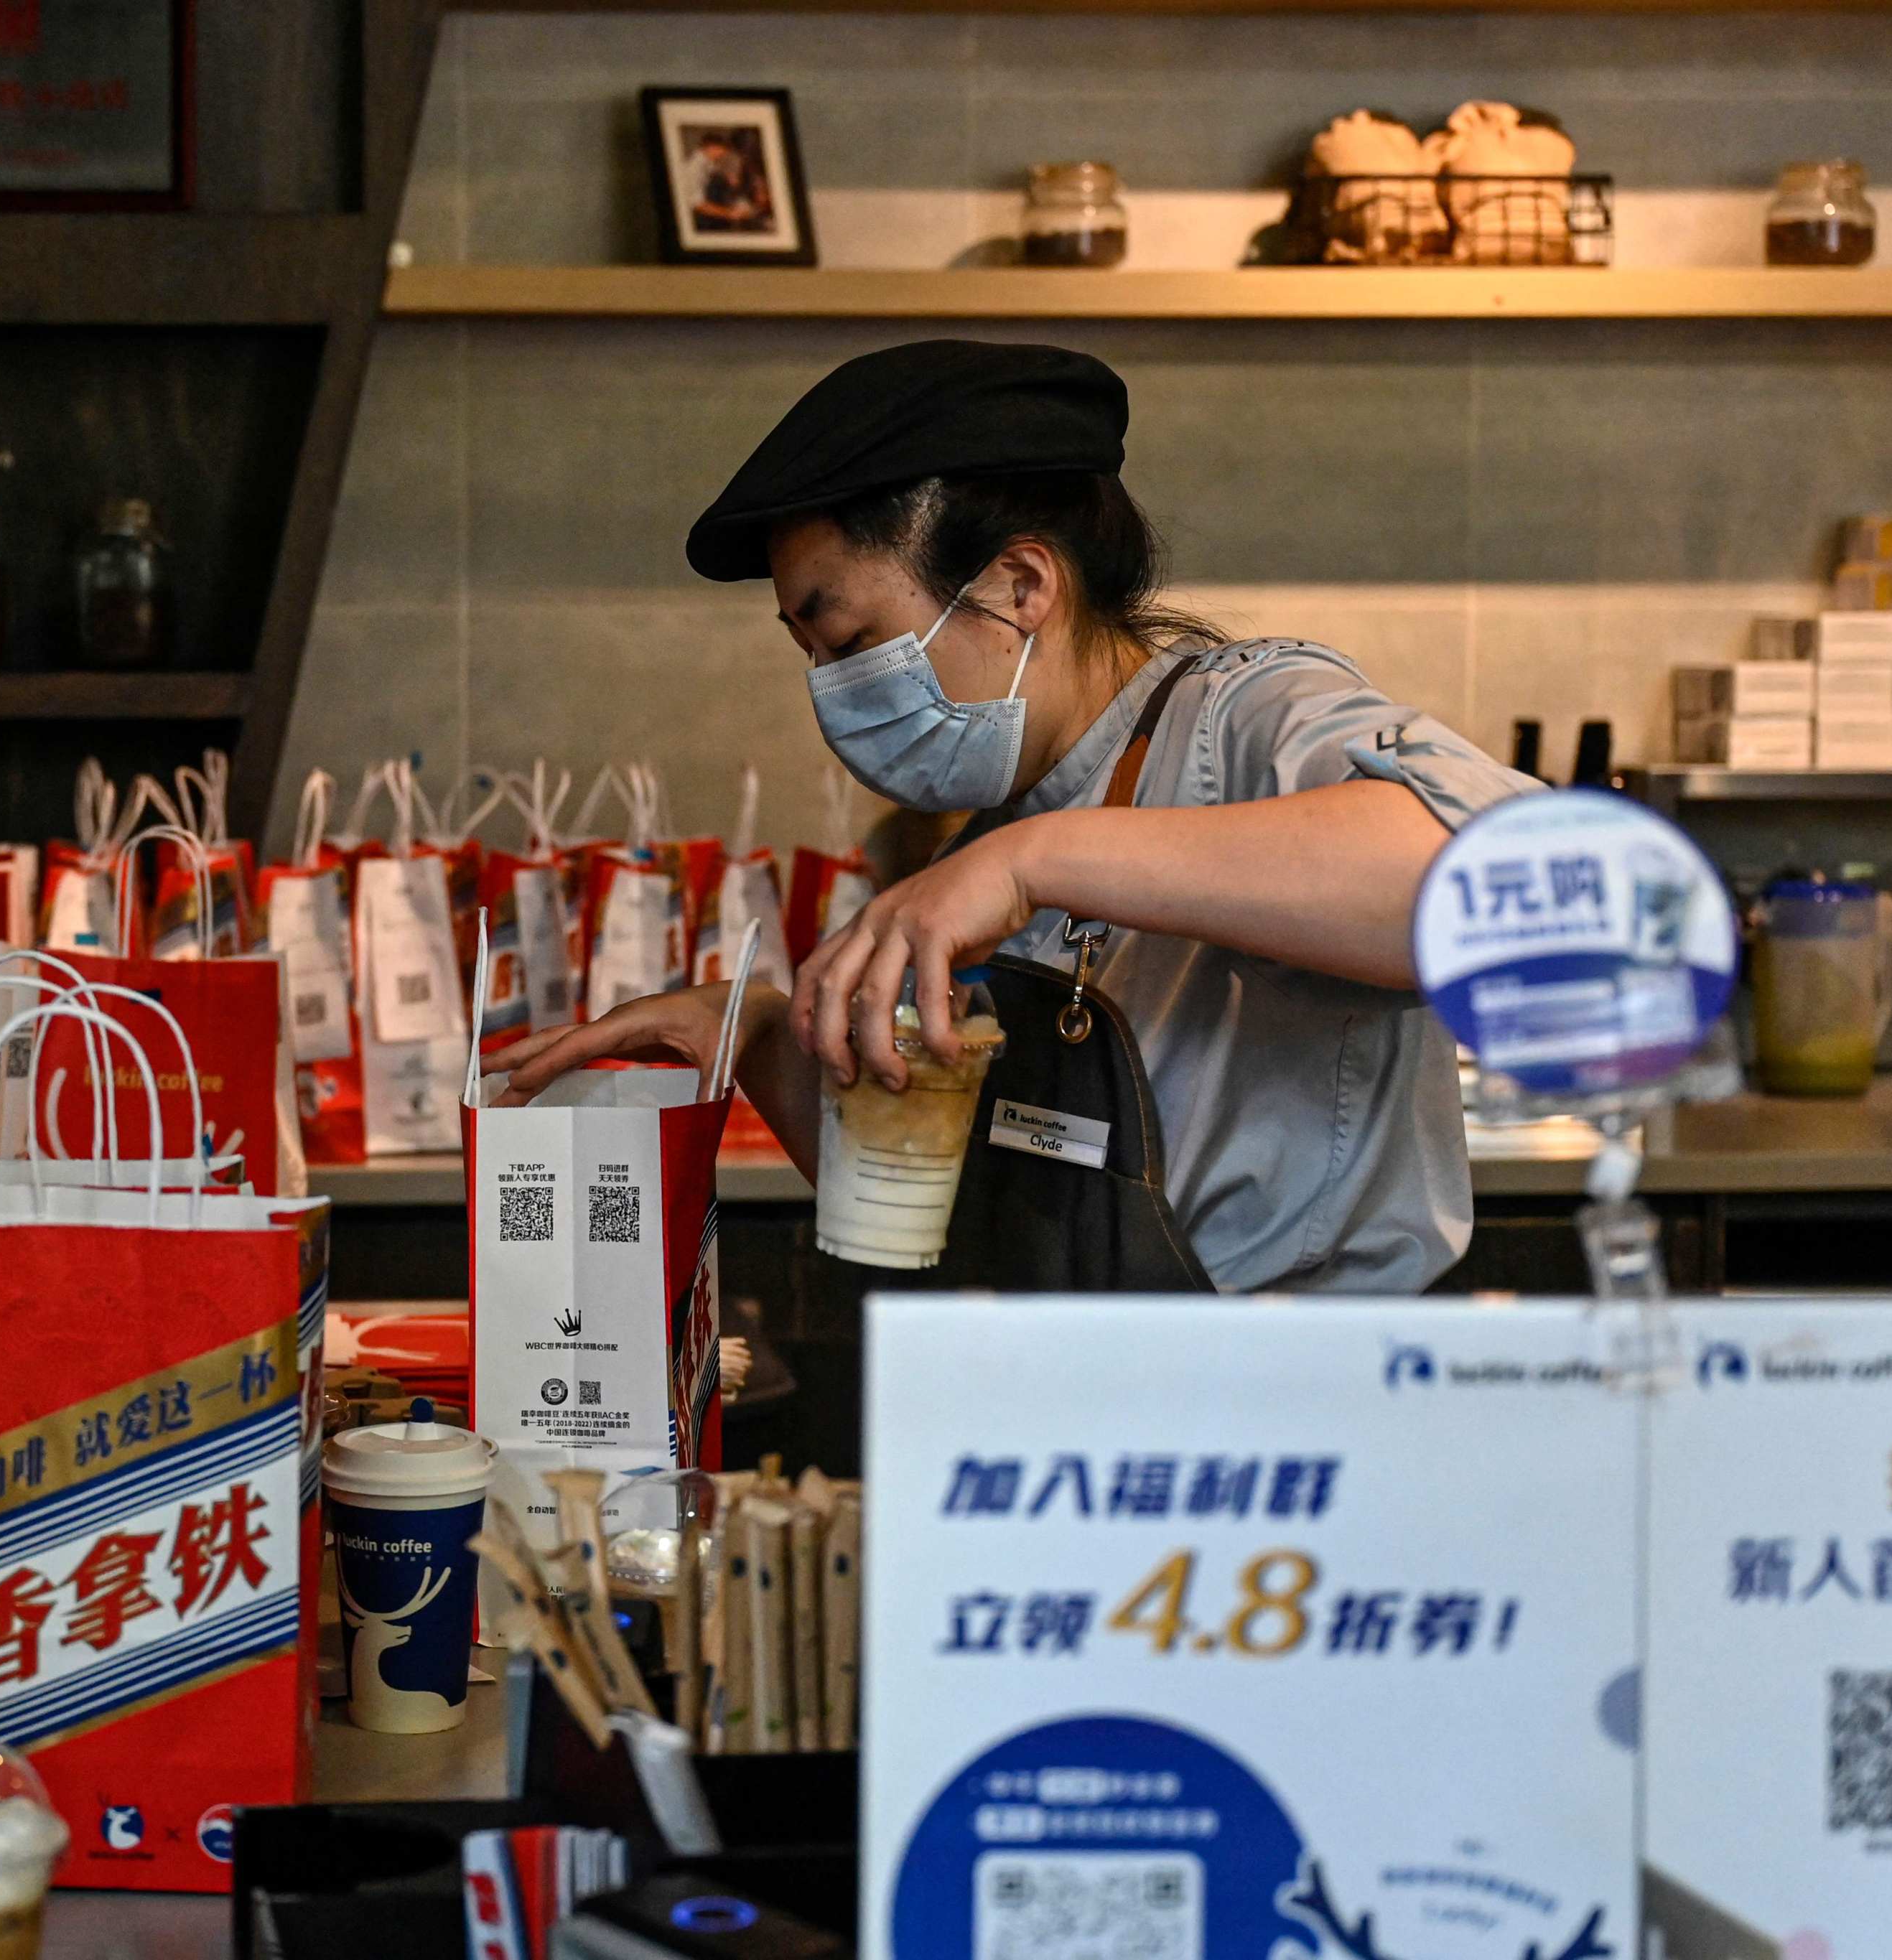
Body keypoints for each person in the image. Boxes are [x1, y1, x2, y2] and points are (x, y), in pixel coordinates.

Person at [497, 340, 1538, 1293]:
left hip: (1302, 1432)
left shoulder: (1245, 718)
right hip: (1083, 1436)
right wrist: (757, 1031)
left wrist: (1039, 863)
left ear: (1020, 582)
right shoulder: (998, 824)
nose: (833, 689)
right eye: (809, 654)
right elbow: (965, 1207)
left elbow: (1514, 888)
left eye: (852, 638)